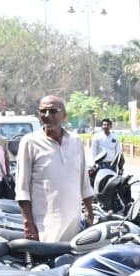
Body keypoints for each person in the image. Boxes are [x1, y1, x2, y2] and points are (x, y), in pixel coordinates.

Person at [15, 96, 94, 242]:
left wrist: (90, 213)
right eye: (43, 111)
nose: (47, 116)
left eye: (53, 111)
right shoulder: (30, 142)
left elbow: (84, 183)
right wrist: (28, 223)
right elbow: (22, 190)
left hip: (74, 224)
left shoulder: (75, 141)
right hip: (44, 226)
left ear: (64, 115)